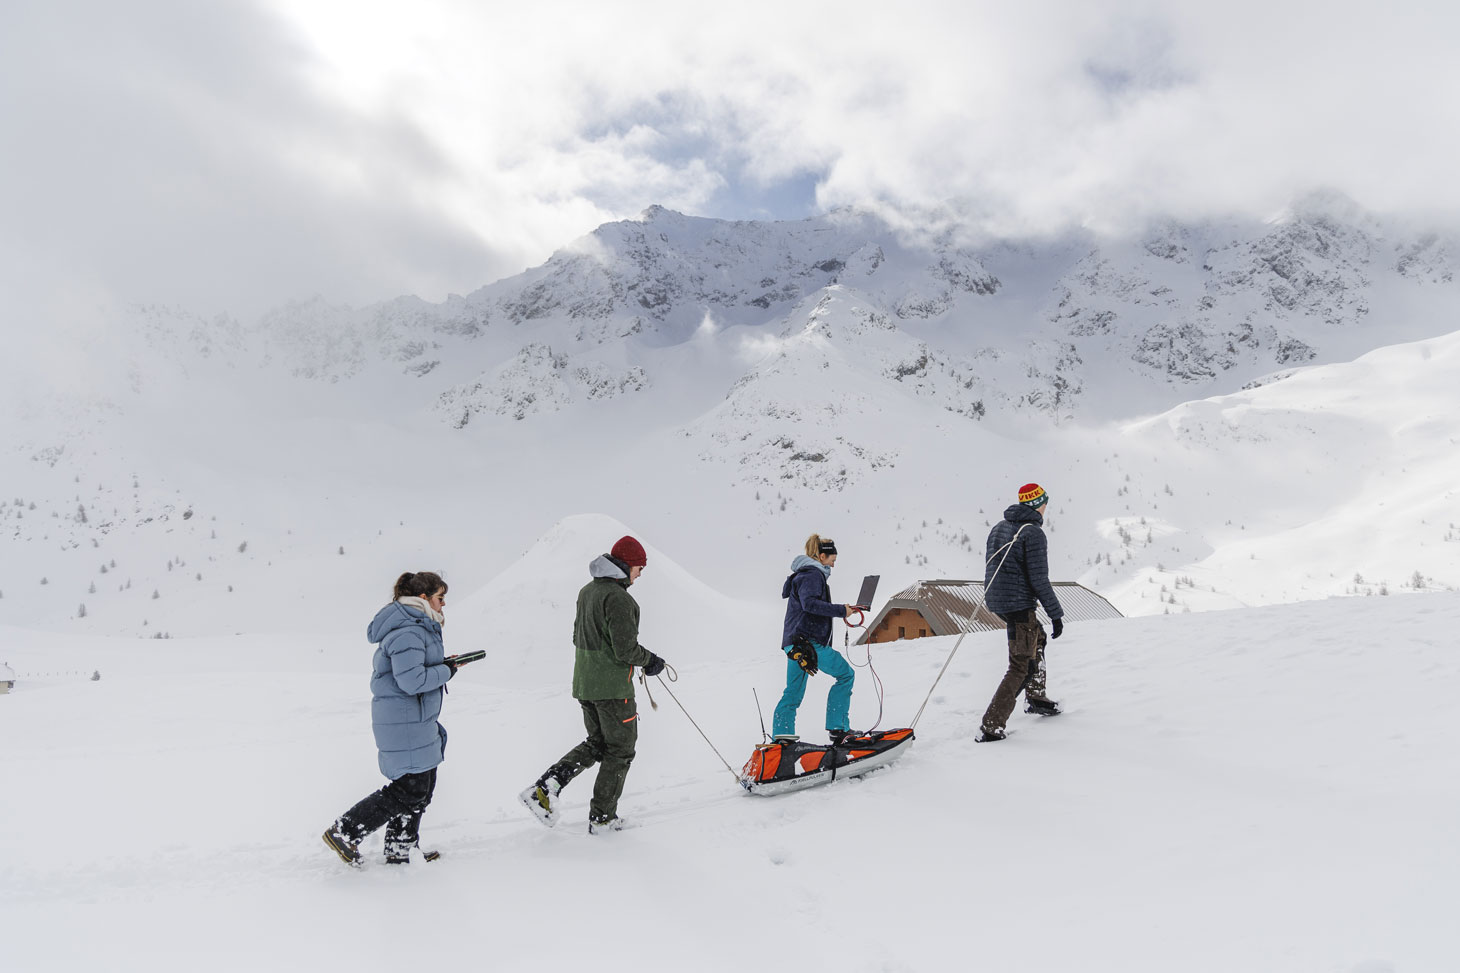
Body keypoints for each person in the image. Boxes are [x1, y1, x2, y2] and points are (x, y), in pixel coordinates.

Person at [519, 535, 667, 834]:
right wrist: (651, 660)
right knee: (620, 750)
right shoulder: (619, 598)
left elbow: (578, 637)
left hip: (585, 684)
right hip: (612, 690)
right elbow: (625, 649)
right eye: (639, 568)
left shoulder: (588, 591)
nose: (639, 575)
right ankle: (603, 819)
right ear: (626, 565)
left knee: (598, 743)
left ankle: (545, 789)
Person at [323, 571, 459, 865]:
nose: (443, 604)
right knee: (409, 790)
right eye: (440, 597)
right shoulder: (408, 631)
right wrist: (447, 671)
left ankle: (401, 848)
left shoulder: (417, 626)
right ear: (422, 598)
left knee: (422, 787)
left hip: (415, 719)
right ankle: (345, 831)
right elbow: (412, 681)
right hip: (405, 720)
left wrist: (444, 665)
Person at [977, 483, 1065, 742]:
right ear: (1039, 503)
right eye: (1045, 502)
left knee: (1037, 638)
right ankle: (992, 725)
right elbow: (1038, 578)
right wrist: (1056, 614)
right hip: (1018, 604)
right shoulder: (1033, 532)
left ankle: (1036, 697)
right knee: (1021, 666)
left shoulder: (999, 527)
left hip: (997, 600)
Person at [772, 534, 865, 745]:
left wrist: (842, 610)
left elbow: (806, 606)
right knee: (845, 675)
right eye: (832, 559)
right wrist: (842, 610)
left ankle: (782, 739)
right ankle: (838, 729)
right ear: (822, 556)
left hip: (794, 644)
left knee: (793, 692)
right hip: (808, 642)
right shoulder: (813, 575)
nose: (834, 563)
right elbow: (810, 604)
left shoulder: (803, 575)